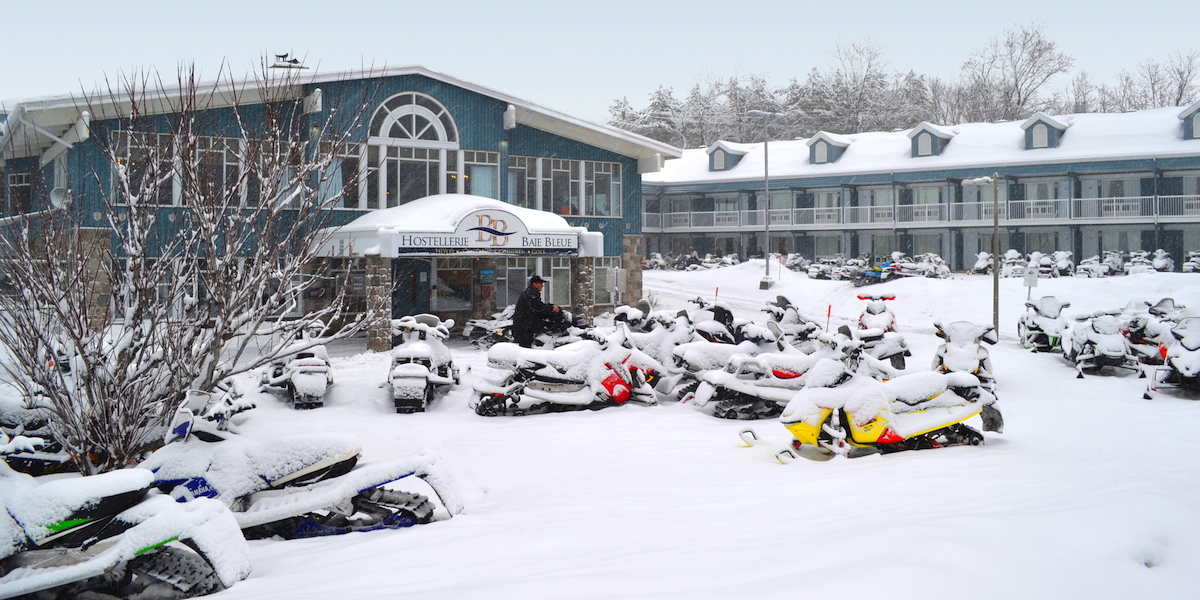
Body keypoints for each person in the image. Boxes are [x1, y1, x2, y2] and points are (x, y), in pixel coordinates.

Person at [512, 275, 560, 348]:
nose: (542, 285)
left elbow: (537, 308)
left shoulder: (532, 292)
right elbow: (537, 307)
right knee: (525, 347)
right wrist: (551, 308)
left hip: (525, 325)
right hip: (524, 327)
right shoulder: (531, 293)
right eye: (540, 283)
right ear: (534, 284)